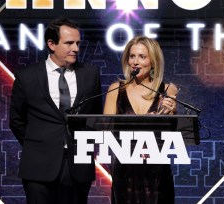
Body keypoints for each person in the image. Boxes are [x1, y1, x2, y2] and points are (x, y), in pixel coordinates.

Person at [9, 17, 102, 204]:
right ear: (51, 44)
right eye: (69, 43)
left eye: (77, 43)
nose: (75, 48)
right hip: (38, 166)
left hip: (78, 165)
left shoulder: (90, 74)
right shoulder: (27, 76)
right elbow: (16, 120)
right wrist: (38, 144)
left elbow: (95, 117)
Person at [103, 36, 178, 204]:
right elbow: (105, 132)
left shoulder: (168, 90)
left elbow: (174, 134)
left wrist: (172, 113)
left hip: (156, 172)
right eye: (132, 56)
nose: (135, 62)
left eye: (142, 57)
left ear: (154, 61)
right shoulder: (116, 89)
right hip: (125, 171)